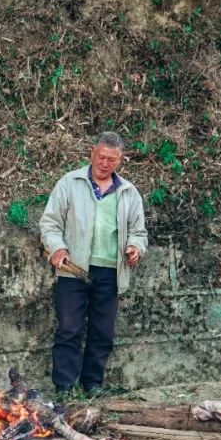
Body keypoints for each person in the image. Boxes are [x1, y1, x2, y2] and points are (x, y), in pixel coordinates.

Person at [39, 131, 148, 394]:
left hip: (110, 272)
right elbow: (50, 223)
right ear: (92, 152)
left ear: (120, 160)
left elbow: (138, 231)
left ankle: (92, 385)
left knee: (102, 332)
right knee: (69, 328)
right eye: (101, 157)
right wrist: (57, 247)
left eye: (111, 159)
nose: (104, 163)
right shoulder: (70, 183)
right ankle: (65, 387)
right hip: (73, 269)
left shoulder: (128, 192)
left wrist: (135, 247)